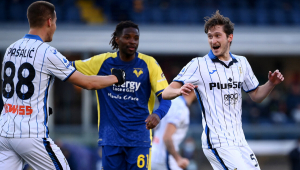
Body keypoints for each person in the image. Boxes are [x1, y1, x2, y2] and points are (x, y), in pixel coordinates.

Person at [0, 1, 125, 170]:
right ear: (49, 22)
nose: (55, 27)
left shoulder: (11, 49)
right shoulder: (47, 52)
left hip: (5, 132)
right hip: (30, 134)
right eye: (56, 22)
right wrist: (115, 77)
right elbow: (88, 83)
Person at [162, 10, 284, 170]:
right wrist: (178, 91)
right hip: (217, 141)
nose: (213, 40)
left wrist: (271, 84)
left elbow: (255, 95)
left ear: (230, 37)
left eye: (217, 35)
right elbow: (165, 93)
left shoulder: (242, 63)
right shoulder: (198, 64)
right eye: (210, 36)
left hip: (239, 140)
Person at [71, 20, 171, 170]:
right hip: (110, 138)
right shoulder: (103, 62)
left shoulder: (149, 64)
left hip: (139, 138)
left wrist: (158, 114)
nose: (132, 41)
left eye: (136, 38)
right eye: (127, 37)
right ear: (117, 39)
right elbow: (67, 67)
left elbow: (166, 96)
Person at [151, 92, 196, 170]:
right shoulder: (180, 106)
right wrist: (178, 159)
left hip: (155, 153)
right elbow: (167, 137)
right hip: (165, 158)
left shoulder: (172, 102)